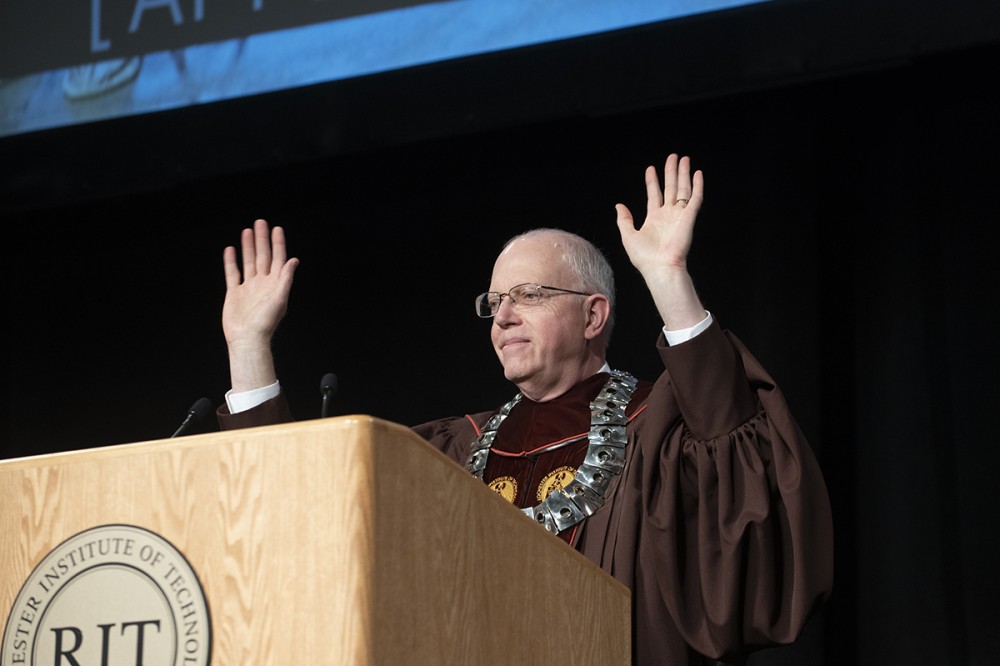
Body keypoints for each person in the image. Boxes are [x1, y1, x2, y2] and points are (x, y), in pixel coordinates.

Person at [215, 154, 834, 665]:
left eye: (529, 295)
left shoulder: (658, 427)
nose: (503, 316)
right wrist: (248, 346)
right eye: (494, 302)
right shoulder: (449, 453)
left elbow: (738, 467)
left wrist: (668, 275)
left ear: (593, 316)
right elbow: (307, 517)